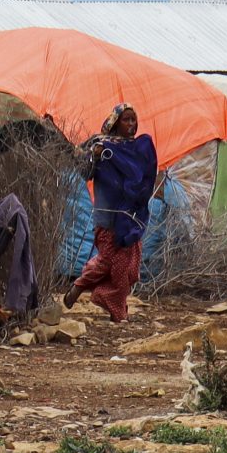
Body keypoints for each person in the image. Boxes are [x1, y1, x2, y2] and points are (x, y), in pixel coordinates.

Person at [67, 105, 159, 322]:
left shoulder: (138, 148)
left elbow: (145, 177)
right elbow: (84, 172)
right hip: (108, 217)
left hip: (131, 217)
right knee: (113, 263)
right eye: (126, 120)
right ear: (115, 122)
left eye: (133, 120)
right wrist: (95, 157)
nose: (131, 125)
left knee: (131, 269)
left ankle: (90, 290)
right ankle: (117, 312)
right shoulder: (101, 145)